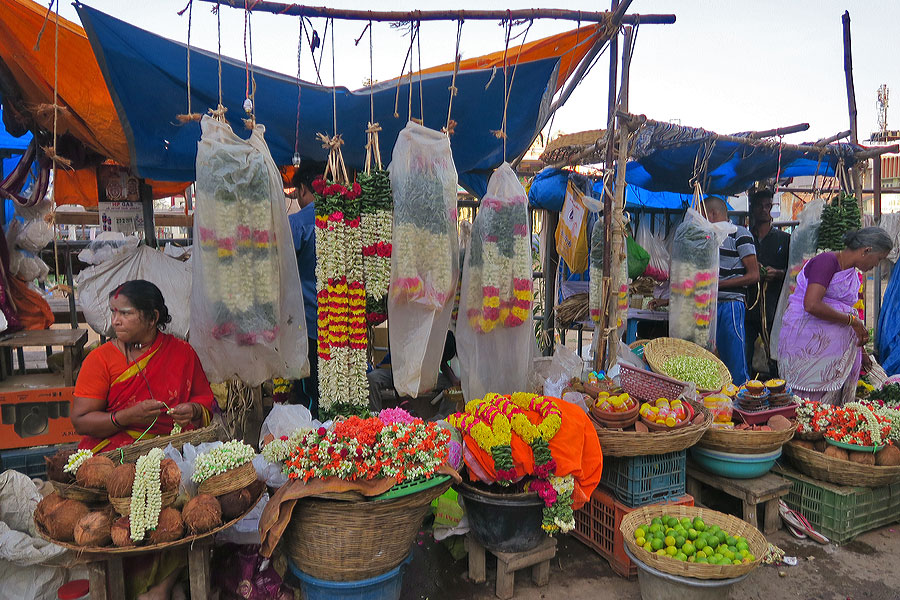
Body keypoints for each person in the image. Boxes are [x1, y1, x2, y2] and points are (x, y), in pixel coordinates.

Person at [70, 280, 216, 600]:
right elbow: (81, 419)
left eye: (126, 313)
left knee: (184, 507)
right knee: (124, 515)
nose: (116, 320)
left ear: (152, 318)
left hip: (167, 455)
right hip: (112, 458)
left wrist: (191, 408)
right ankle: (155, 587)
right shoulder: (101, 359)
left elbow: (206, 404)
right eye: (113, 312)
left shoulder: (182, 353)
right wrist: (125, 417)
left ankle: (163, 587)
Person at [779, 228, 893, 405]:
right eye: (879, 259)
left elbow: (845, 310)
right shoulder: (827, 261)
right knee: (807, 407)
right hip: (808, 348)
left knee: (831, 414)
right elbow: (811, 304)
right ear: (866, 250)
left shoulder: (853, 273)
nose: (877, 265)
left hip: (835, 352)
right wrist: (853, 321)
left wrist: (861, 351)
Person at [702, 196, 759, 385]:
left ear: (713, 214)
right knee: (708, 361)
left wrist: (717, 285)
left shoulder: (739, 234)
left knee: (734, 361)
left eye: (704, 216)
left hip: (730, 306)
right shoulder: (708, 237)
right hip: (707, 306)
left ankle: (742, 400)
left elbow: (754, 275)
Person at [287, 162, 325, 416]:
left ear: (302, 189)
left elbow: (282, 267)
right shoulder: (345, 216)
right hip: (343, 319)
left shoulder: (298, 222)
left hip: (308, 322)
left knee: (309, 391)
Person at [745, 187, 790, 375]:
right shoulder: (744, 238)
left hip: (773, 306)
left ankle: (776, 390)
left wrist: (778, 273)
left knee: (774, 355)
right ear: (752, 209)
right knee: (746, 353)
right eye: (759, 206)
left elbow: (793, 272)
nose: (764, 210)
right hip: (748, 306)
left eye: (767, 206)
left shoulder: (785, 239)